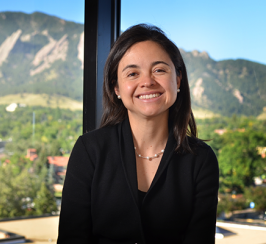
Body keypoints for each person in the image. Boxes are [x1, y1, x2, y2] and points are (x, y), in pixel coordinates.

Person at [57, 24, 219, 244]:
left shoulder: (201, 159)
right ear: (116, 88)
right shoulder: (90, 150)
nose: (147, 82)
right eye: (133, 73)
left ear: (178, 80)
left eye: (159, 70)